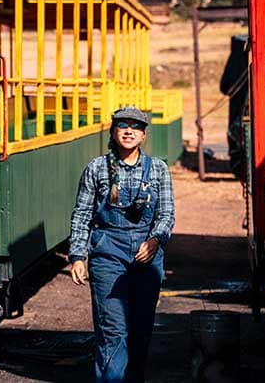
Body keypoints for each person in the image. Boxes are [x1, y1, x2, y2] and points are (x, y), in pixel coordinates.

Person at [69, 105, 175, 383]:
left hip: (147, 256)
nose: (129, 130)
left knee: (141, 327)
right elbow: (82, 214)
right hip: (107, 254)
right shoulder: (97, 169)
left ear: (143, 135)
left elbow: (166, 214)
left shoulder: (159, 170)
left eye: (136, 126)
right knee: (113, 328)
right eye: (123, 125)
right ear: (113, 132)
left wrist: (155, 240)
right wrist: (78, 255)